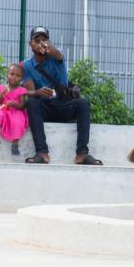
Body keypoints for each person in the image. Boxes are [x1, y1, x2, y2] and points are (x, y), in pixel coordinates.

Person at [20, 25, 102, 166]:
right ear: (30, 44)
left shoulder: (56, 57)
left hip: (63, 104)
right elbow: (30, 91)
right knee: (32, 103)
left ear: (49, 42)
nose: (41, 43)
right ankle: (42, 153)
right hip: (45, 107)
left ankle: (82, 154)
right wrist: (38, 92)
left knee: (83, 103)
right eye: (37, 40)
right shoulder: (26, 65)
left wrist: (48, 48)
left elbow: (57, 53)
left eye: (44, 40)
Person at [0, 61, 31, 156]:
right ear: (7, 74)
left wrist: (14, 104)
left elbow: (22, 105)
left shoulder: (21, 90)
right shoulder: (2, 88)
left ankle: (15, 145)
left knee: (18, 123)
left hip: (16, 112)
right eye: (12, 74)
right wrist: (2, 96)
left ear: (21, 78)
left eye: (18, 76)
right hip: (3, 110)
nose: (14, 77)